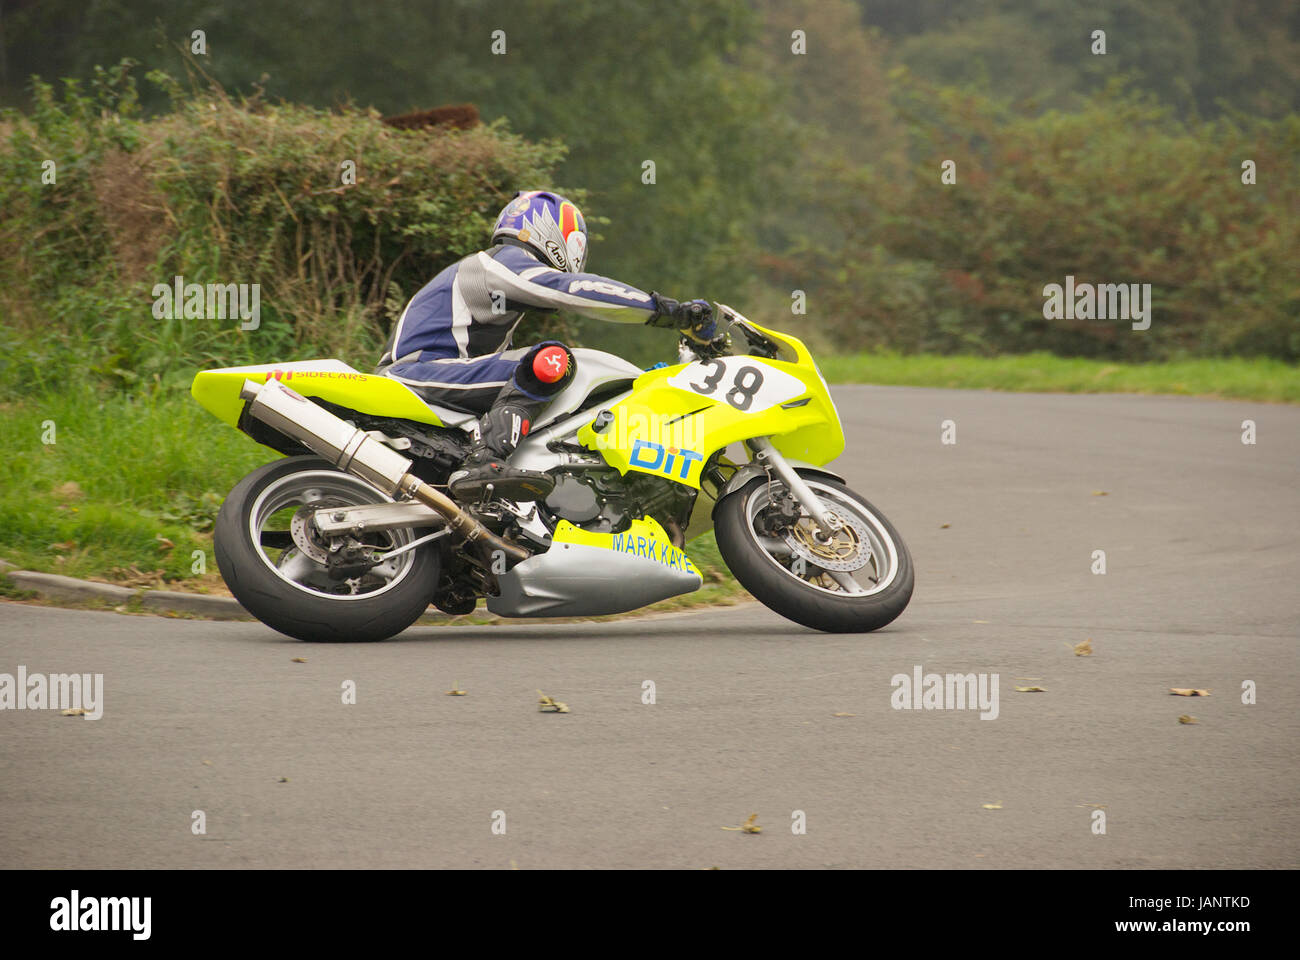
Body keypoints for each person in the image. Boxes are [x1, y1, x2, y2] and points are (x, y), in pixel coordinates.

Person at [375, 190, 718, 500]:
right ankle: (484, 461)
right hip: (414, 373)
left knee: (542, 376)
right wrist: (668, 312)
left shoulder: (492, 287)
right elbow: (574, 289)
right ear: (551, 232)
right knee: (552, 359)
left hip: (434, 374)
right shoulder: (498, 262)